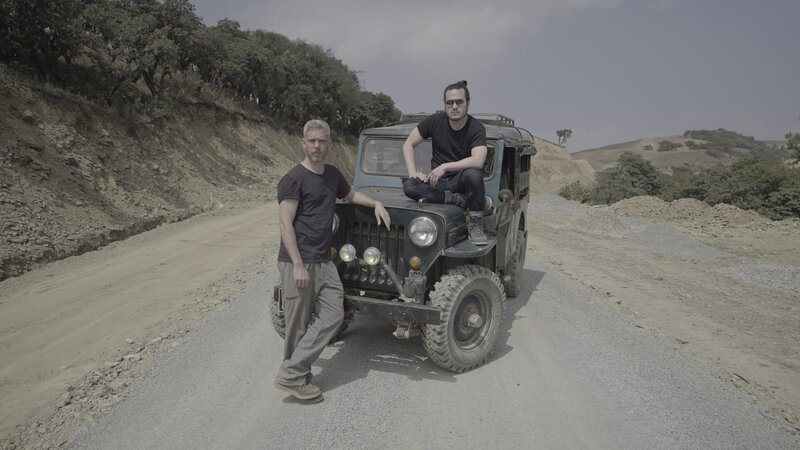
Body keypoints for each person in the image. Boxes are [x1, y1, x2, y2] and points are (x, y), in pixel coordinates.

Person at [275, 119, 390, 402]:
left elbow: (350, 195)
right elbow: (285, 224)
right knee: (297, 325)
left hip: (324, 262)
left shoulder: (332, 175)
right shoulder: (293, 179)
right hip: (298, 262)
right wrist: (298, 265)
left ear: (329, 144)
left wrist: (375, 203)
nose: (316, 145)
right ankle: (296, 378)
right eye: (311, 141)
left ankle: (291, 373)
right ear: (303, 143)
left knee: (334, 314)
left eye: (322, 141)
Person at [401, 80, 489, 245]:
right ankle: (456, 200)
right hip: (437, 182)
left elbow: (478, 160)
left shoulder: (476, 127)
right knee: (409, 186)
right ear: (444, 104)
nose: (454, 106)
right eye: (450, 102)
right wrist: (412, 172)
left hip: (461, 181)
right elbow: (408, 144)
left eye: (459, 102)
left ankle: (476, 224)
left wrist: (445, 166)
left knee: (474, 174)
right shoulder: (434, 121)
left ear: (467, 103)